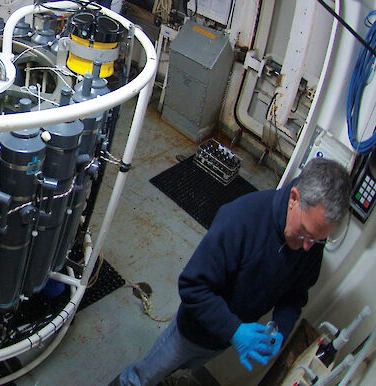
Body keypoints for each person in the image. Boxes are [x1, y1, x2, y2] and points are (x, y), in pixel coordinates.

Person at [111, 157, 351, 385]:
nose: (308, 246)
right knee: (141, 378)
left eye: (317, 240)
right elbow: (192, 287)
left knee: (173, 369)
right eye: (306, 234)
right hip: (192, 332)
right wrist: (235, 330)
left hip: (222, 340)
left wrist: (280, 327)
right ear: (294, 198)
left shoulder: (312, 241)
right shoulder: (240, 220)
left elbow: (296, 295)